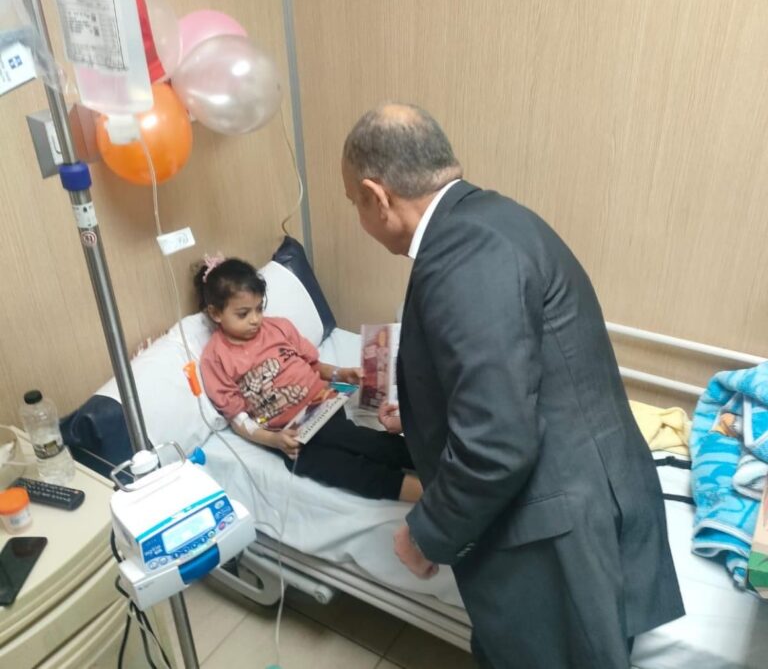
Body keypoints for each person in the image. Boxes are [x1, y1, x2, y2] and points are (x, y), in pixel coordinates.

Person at [342, 103, 685, 668]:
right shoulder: (492, 220)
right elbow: (511, 373)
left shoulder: (461, 254)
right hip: (582, 490)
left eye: (354, 203)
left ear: (376, 196)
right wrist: (425, 416)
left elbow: (498, 442)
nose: (361, 218)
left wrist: (426, 532)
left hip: (553, 529)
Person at [194, 255, 422, 502]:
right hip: (285, 432)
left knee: (356, 440)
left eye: (259, 308)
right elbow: (238, 418)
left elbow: (313, 364)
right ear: (215, 313)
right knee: (312, 463)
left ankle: (429, 460)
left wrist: (342, 373)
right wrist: (273, 440)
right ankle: (412, 488)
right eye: (243, 314)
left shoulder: (278, 328)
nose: (255, 319)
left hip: (321, 406)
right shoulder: (215, 358)